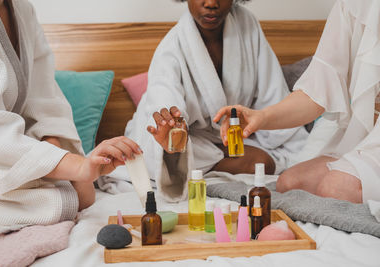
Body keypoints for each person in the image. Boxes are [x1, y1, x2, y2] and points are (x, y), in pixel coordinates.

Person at [0, 0, 141, 233]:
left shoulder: (22, 9)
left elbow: (44, 97)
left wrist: (59, 156)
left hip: (8, 152)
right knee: (57, 202)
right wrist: (77, 167)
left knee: (79, 195)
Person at [125, 0, 308, 201]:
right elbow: (165, 103)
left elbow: (271, 91)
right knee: (254, 162)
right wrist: (172, 129)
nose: (211, 3)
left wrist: (264, 124)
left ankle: (216, 155)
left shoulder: (246, 24)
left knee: (268, 163)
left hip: (232, 133)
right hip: (188, 139)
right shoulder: (171, 49)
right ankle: (199, 157)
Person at [214, 0, 380, 204]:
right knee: (290, 182)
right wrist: (259, 117)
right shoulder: (352, 5)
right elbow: (315, 94)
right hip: (366, 139)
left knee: (335, 187)